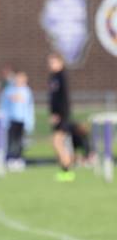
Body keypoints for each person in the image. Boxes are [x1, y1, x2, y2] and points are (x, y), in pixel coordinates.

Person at [47, 52, 75, 181]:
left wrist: (59, 114)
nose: (50, 64)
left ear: (60, 62)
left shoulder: (62, 76)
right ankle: (66, 169)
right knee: (57, 143)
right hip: (57, 116)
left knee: (57, 142)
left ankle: (67, 170)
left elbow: (64, 98)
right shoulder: (53, 77)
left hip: (62, 116)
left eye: (53, 62)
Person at [0, 71, 34, 171]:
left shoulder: (27, 91)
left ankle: (18, 159)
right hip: (11, 120)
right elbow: (4, 105)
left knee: (20, 141)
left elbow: (29, 107)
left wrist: (30, 122)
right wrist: (4, 119)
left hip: (22, 120)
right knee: (11, 140)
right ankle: (11, 159)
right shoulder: (9, 90)